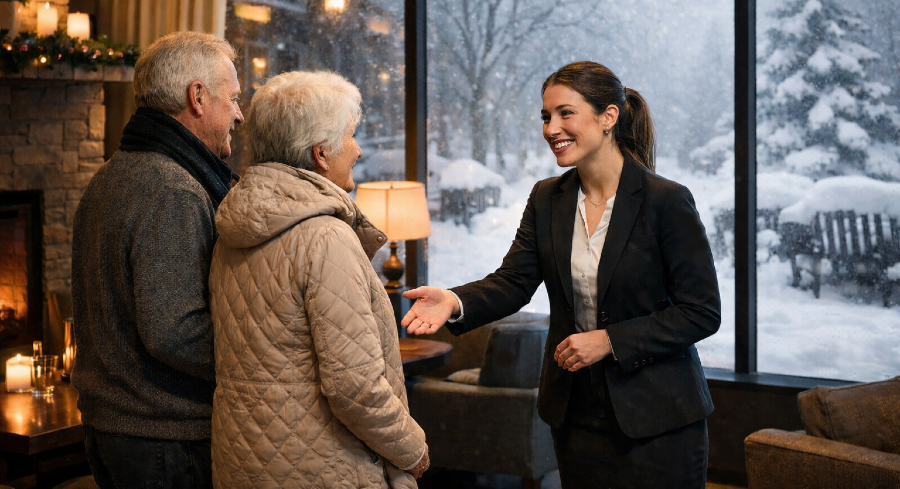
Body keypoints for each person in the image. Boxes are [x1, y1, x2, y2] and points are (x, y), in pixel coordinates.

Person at [402, 61, 721, 489]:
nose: (552, 128)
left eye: (565, 113)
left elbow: (701, 311)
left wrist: (609, 341)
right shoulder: (547, 198)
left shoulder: (666, 200)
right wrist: (455, 301)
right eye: (545, 117)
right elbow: (514, 281)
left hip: (660, 418)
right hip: (576, 415)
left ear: (609, 116)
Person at [208, 71, 429, 488]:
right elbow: (355, 387)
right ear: (320, 154)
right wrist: (412, 448)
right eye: (350, 136)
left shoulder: (233, 230)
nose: (359, 148)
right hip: (324, 467)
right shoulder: (325, 236)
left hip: (247, 461)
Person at [71, 31, 244, 489]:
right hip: (164, 439)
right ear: (198, 97)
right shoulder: (173, 189)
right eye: (234, 99)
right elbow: (175, 331)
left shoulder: (111, 173)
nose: (239, 115)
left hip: (122, 429)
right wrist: (261, 359)